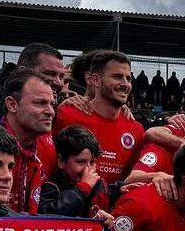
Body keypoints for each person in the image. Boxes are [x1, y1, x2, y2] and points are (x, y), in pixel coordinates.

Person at [52, 49, 145, 183]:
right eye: (117, 77)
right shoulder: (65, 116)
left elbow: (129, 181)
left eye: (128, 78)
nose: (125, 84)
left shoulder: (136, 130)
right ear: (95, 80)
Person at [0, 68, 57, 213]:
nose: (51, 111)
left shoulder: (48, 149)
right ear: (12, 104)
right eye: (40, 103)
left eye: (52, 104)